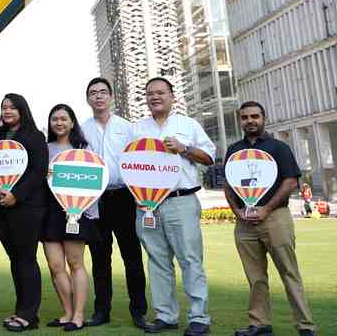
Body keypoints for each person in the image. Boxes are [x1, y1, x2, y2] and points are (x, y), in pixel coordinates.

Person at [132, 77, 216, 336]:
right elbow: (127, 163)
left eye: (160, 92)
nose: (155, 97)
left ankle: (199, 317)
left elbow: (209, 157)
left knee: (190, 259)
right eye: (150, 93)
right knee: (157, 261)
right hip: (147, 205)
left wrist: (184, 148)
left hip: (181, 200)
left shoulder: (187, 125)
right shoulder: (136, 128)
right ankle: (165, 316)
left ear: (172, 96)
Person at [225, 102, 317, 336]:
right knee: (255, 277)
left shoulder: (279, 148)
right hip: (244, 222)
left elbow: (290, 182)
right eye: (245, 117)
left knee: (289, 272)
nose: (250, 121)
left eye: (255, 116)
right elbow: (228, 184)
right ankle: (259, 324)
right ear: (240, 121)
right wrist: (237, 212)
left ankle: (305, 325)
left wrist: (266, 209)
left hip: (275, 218)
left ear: (264, 118)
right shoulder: (234, 150)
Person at [80, 77, 147, 329]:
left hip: (124, 197)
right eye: (93, 92)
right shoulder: (82, 129)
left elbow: (139, 161)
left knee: (132, 256)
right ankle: (101, 311)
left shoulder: (128, 127)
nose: (98, 96)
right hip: (95, 200)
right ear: (88, 99)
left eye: (102, 92)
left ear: (111, 97)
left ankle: (138, 310)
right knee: (99, 258)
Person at [0, 93, 48, 332]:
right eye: (4, 107)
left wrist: (17, 195)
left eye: (12, 107)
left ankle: (29, 315)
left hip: (27, 209)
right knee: (16, 261)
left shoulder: (35, 136)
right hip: (2, 209)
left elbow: (39, 171)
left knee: (26, 260)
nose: (7, 111)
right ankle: (21, 309)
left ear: (22, 110)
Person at [41, 104, 98, 331]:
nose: (59, 123)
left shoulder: (83, 148)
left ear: (72, 122)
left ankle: (79, 315)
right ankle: (66, 312)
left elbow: (94, 180)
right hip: (50, 211)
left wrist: (87, 211)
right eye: (55, 119)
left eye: (64, 118)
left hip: (76, 211)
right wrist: (45, 173)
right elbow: (37, 179)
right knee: (55, 265)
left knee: (76, 263)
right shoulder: (44, 149)